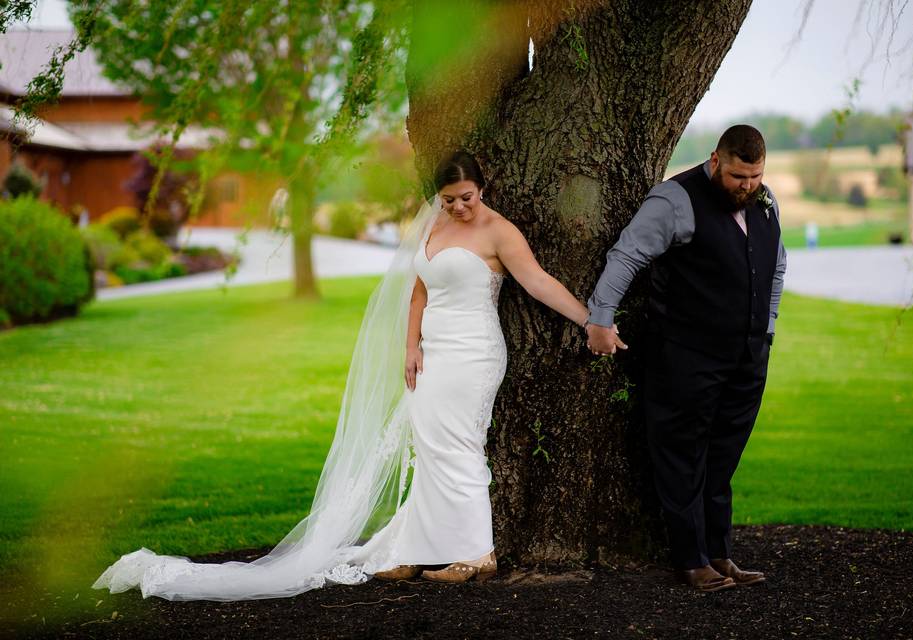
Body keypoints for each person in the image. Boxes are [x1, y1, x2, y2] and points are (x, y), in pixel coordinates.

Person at [92, 151, 590, 600]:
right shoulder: (435, 226)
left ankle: (479, 552)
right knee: (428, 446)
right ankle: (417, 547)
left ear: (483, 189)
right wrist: (410, 345)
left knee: (458, 444)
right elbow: (419, 291)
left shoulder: (498, 231)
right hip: (432, 355)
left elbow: (539, 282)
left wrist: (591, 321)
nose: (458, 208)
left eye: (466, 198)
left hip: (474, 354)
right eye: (448, 199)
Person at [585, 125, 786, 592]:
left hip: (748, 358)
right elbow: (627, 255)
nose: (748, 186)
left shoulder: (765, 200)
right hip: (686, 356)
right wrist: (601, 317)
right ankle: (690, 559)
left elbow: (775, 265)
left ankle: (719, 553)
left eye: (756, 176)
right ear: (715, 159)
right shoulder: (674, 200)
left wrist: (767, 326)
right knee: (682, 457)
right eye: (739, 175)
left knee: (722, 460)